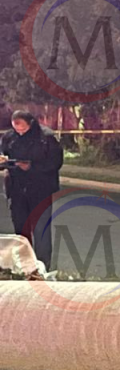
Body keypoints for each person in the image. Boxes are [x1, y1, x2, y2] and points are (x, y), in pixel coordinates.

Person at [0, 111, 64, 269]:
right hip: (16, 189)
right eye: (16, 129)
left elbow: (55, 162)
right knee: (21, 230)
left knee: (41, 229)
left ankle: (43, 266)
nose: (20, 132)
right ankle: (24, 265)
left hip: (41, 189)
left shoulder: (46, 137)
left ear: (31, 123)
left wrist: (31, 167)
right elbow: (4, 154)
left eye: (23, 128)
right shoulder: (9, 137)